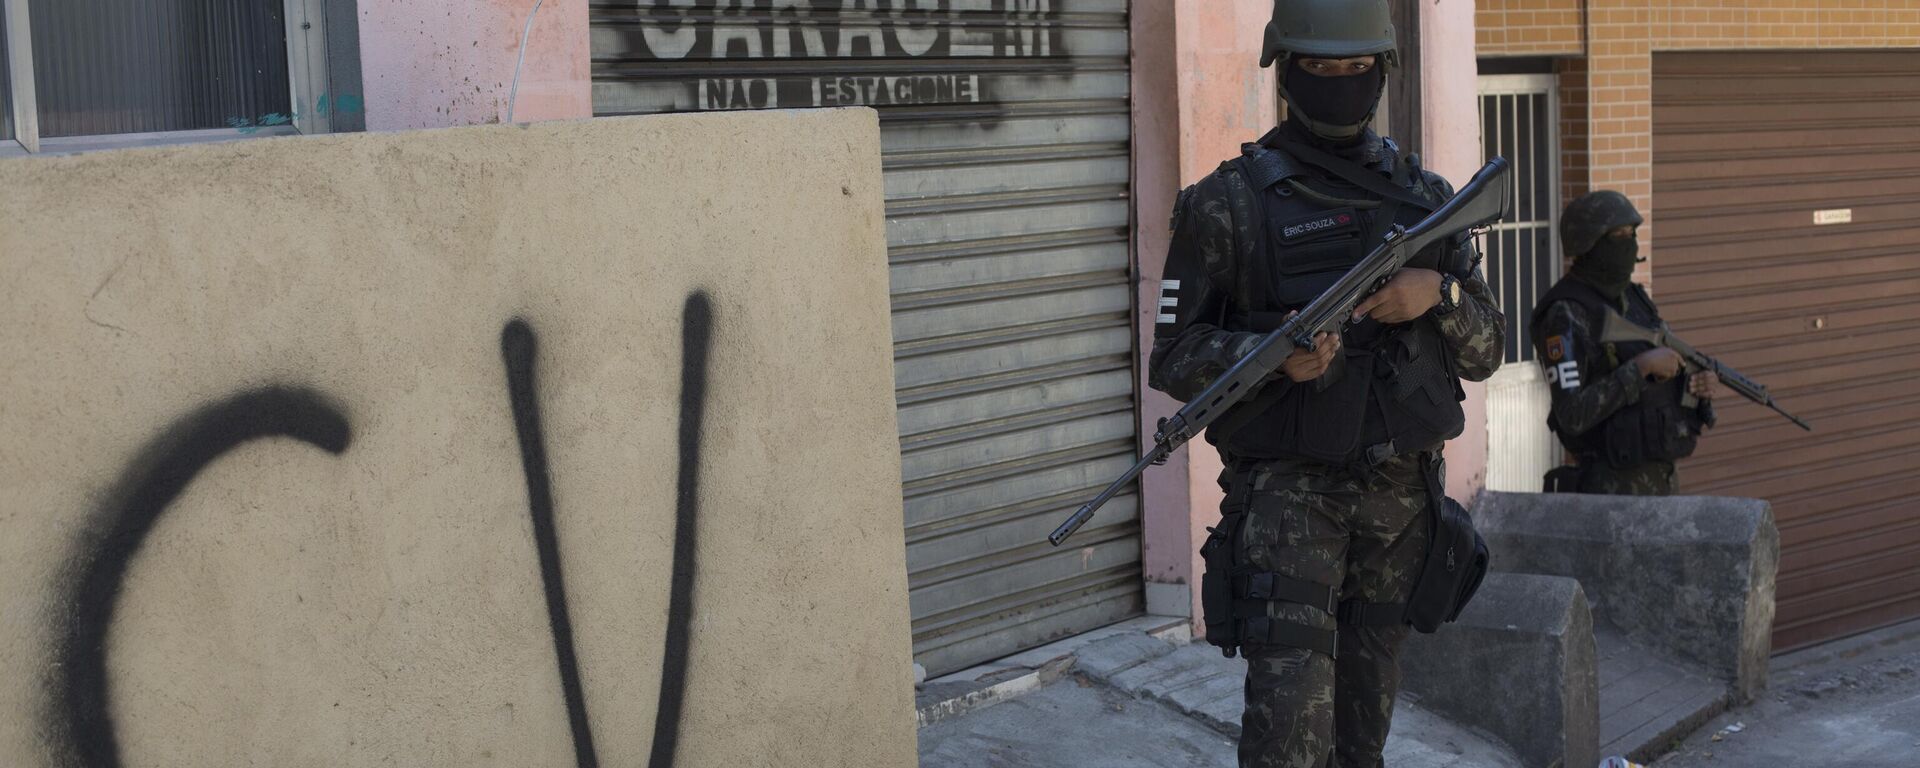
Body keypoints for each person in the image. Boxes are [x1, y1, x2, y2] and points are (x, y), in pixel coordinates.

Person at [1146, 1, 1504, 765]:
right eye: (1320, 68)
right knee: (1286, 741)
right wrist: (1268, 354)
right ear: (1285, 66)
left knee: (1362, 743)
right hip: (1288, 509)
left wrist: (1434, 297)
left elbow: (1487, 349)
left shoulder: (1429, 200)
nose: (1340, 83)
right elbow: (1173, 359)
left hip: (1398, 510)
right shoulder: (1226, 204)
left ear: (1381, 71)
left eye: (1354, 68)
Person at [1530, 190, 1718, 496]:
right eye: (1619, 235)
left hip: (1662, 481)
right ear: (1590, 243)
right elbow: (1572, 414)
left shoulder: (1633, 298)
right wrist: (1640, 368)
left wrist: (1697, 386)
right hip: (1609, 492)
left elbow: (1665, 370)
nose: (1630, 243)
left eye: (1632, 234)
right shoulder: (1565, 313)